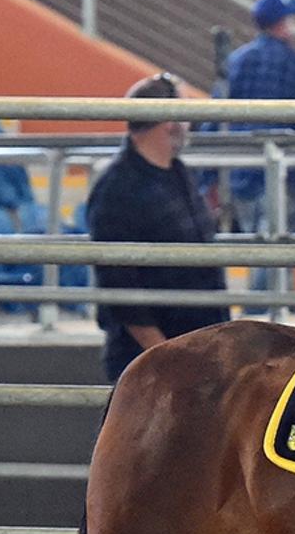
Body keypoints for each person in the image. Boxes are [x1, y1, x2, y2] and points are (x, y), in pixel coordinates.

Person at [86, 74, 230, 382]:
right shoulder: (116, 189)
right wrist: (162, 353)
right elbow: (118, 284)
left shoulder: (178, 173)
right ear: (169, 121)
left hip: (193, 348)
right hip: (151, 359)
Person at [224, 0, 295, 309]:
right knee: (281, 246)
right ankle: (263, 315)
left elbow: (220, 113)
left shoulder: (237, 60)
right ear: (280, 24)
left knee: (261, 246)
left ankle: (277, 308)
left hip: (244, 171)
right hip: (288, 172)